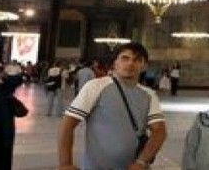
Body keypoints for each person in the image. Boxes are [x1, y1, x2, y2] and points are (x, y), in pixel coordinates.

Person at [58, 42, 166, 170]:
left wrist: (141, 162)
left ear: (144, 66)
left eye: (137, 60)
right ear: (115, 63)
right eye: (125, 58)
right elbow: (67, 124)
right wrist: (65, 164)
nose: (130, 63)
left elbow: (159, 131)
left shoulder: (149, 95)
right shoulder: (96, 86)